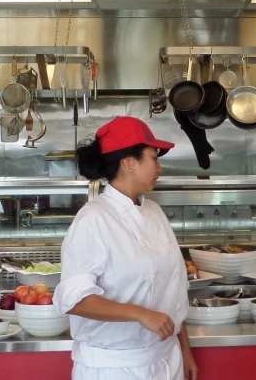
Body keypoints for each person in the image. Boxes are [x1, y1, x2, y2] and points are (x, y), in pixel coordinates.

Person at [53, 116, 197, 380]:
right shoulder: (93, 219)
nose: (159, 168)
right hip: (114, 368)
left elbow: (172, 289)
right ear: (130, 162)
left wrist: (184, 350)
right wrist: (139, 314)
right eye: (154, 158)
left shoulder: (153, 211)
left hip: (166, 359)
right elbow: (73, 299)